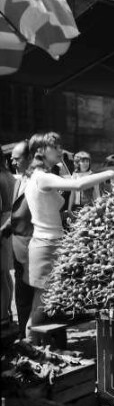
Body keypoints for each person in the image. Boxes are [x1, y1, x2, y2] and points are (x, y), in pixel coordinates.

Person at [24, 132, 114, 344]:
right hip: (47, 245)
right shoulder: (42, 177)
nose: (61, 150)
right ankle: (30, 350)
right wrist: (109, 173)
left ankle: (45, 346)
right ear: (41, 151)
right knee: (40, 305)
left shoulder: (43, 176)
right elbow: (78, 186)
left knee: (48, 303)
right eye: (55, 147)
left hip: (51, 242)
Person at [1, 141, 35, 338]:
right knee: (22, 298)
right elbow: (16, 213)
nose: (12, 161)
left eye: (16, 158)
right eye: (11, 158)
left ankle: (48, 341)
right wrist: (4, 229)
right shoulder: (18, 179)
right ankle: (24, 337)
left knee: (37, 298)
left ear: (29, 158)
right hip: (18, 245)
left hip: (33, 246)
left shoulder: (38, 180)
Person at [0, 146, 15, 327]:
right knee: (5, 274)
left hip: (2, 224)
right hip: (11, 221)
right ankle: (7, 312)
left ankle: (2, 315)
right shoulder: (10, 175)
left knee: (1, 274)